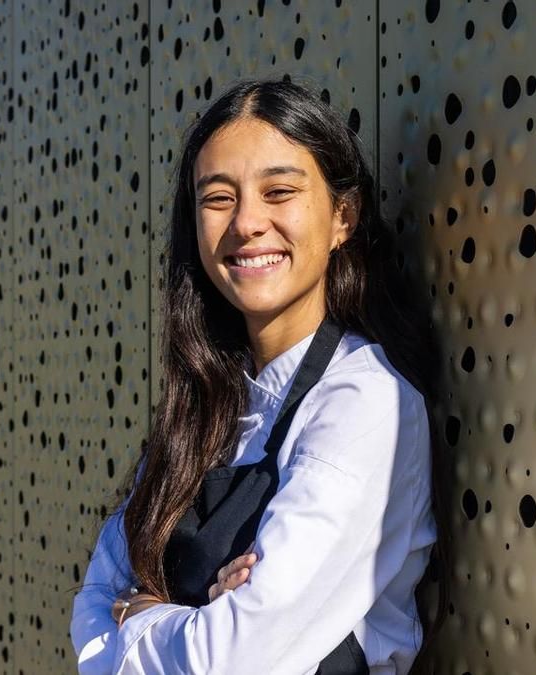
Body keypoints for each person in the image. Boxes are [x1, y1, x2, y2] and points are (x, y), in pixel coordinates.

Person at [68, 77, 452, 675]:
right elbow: (92, 605)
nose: (247, 223)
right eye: (218, 198)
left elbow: (237, 658)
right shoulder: (202, 407)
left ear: (342, 217)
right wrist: (198, 619)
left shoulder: (365, 402)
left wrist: (143, 613)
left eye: (279, 191)